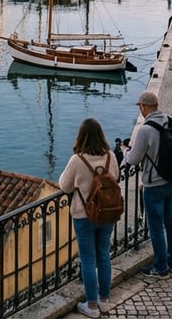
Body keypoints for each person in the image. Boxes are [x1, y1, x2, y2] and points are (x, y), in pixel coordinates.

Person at [59, 119, 119, 315]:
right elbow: (116, 177)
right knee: (103, 255)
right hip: (107, 212)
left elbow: (65, 186)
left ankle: (91, 305)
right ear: (101, 135)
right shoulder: (110, 156)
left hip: (83, 215)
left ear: (81, 137)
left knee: (87, 259)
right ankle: (104, 300)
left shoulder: (77, 160)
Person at [123, 91, 172, 279]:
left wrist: (125, 152)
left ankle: (161, 267)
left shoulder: (145, 130)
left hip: (154, 184)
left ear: (143, 107)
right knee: (171, 222)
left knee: (156, 227)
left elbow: (133, 159)